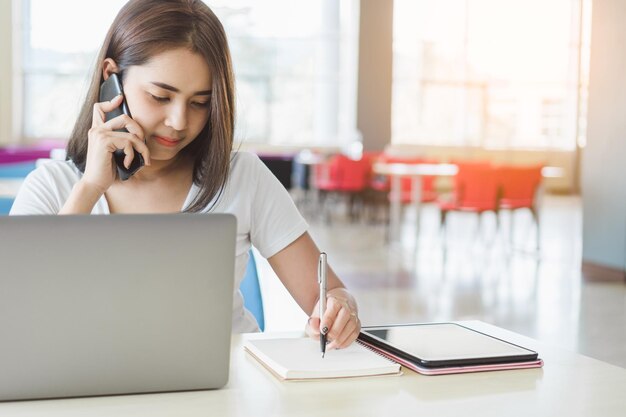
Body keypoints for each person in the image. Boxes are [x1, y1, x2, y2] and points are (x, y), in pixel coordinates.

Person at [10, 0, 361, 349]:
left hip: (227, 393)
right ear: (110, 78)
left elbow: (328, 294)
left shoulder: (243, 177)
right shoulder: (51, 188)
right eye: (160, 96)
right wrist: (90, 188)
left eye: (200, 103)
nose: (179, 122)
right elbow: (18, 317)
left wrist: (339, 308)